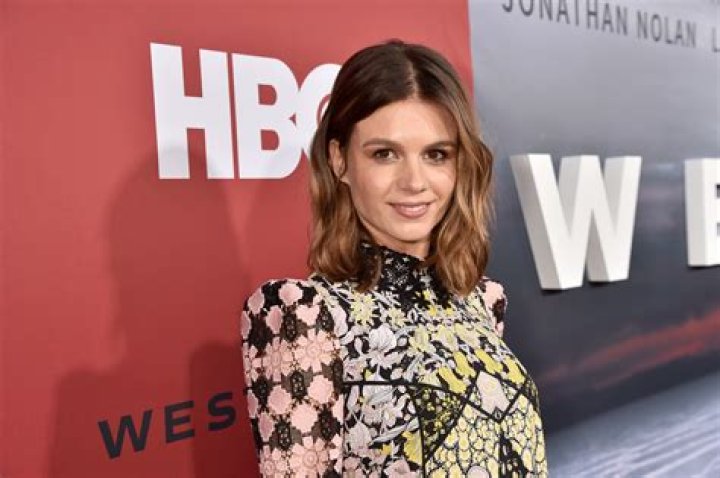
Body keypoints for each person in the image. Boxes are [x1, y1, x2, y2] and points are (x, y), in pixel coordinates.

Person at [240, 39, 547, 477]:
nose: (414, 182)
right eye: (385, 154)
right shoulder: (303, 315)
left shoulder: (482, 301)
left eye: (436, 155)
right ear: (339, 160)